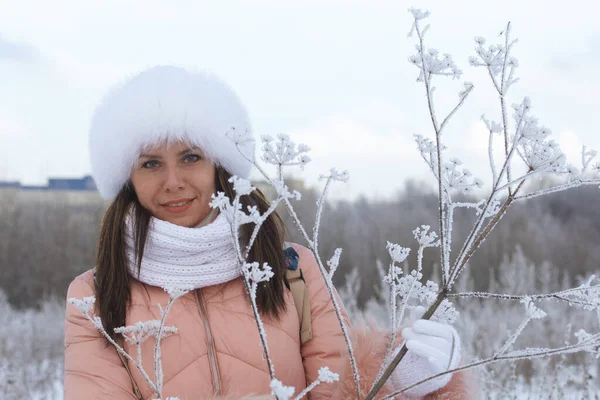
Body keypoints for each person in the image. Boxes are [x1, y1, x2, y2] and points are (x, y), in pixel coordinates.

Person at [63, 66, 474, 399]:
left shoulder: (293, 270)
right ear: (127, 179)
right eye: (150, 163)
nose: (173, 181)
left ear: (220, 167)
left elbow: (339, 390)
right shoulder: (94, 297)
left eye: (191, 157)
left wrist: (406, 379)